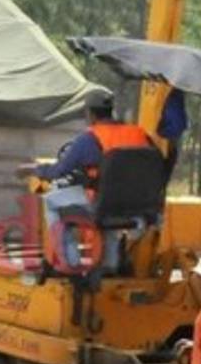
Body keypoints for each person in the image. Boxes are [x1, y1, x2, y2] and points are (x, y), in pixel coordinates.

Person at [16, 89, 153, 269]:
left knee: (51, 201)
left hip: (101, 203)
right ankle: (110, 266)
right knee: (109, 205)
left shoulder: (88, 139)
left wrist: (32, 169)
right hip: (135, 207)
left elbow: (58, 171)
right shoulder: (140, 135)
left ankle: (70, 264)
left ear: (90, 114)